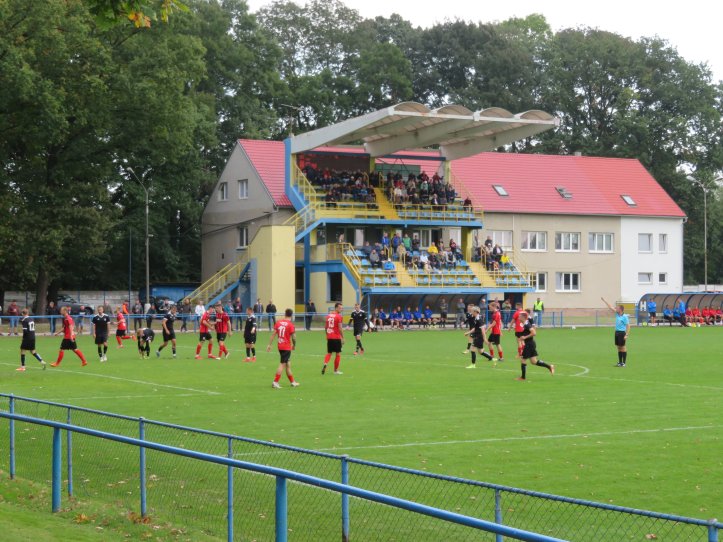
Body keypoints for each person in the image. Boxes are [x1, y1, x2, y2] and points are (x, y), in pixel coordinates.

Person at [267, 308, 299, 389]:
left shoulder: (278, 322)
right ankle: (275, 382)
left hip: (280, 346)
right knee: (282, 364)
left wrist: (269, 344)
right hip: (286, 347)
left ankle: (292, 382)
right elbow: (294, 337)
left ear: (285, 314)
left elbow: (273, 334)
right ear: (291, 315)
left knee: (288, 364)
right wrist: (294, 345)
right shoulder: (290, 325)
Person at [516, 311, 554, 380]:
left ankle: (523, 377)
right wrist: (522, 337)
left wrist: (525, 337)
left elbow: (534, 333)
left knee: (523, 360)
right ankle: (549, 366)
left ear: (523, 317)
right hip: (531, 344)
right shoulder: (525, 324)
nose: (518, 317)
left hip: (529, 344)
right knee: (534, 361)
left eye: (519, 316)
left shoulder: (527, 324)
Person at [602, 297, 630, 367]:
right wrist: (604, 300)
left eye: (617, 308)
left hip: (622, 333)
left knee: (623, 347)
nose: (616, 309)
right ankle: (620, 362)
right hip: (617, 332)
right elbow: (610, 307)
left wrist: (626, 334)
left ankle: (624, 363)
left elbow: (628, 326)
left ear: (620, 309)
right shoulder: (617, 314)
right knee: (618, 347)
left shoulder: (625, 317)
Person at [322, 302, 344, 375]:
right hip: (336, 337)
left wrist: (327, 335)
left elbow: (326, 327)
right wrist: (343, 337)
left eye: (342, 308)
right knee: (338, 354)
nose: (341, 309)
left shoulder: (328, 316)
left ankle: (325, 363)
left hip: (329, 337)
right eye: (340, 308)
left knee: (329, 353)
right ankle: (336, 370)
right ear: (336, 308)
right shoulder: (339, 317)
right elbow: (340, 328)